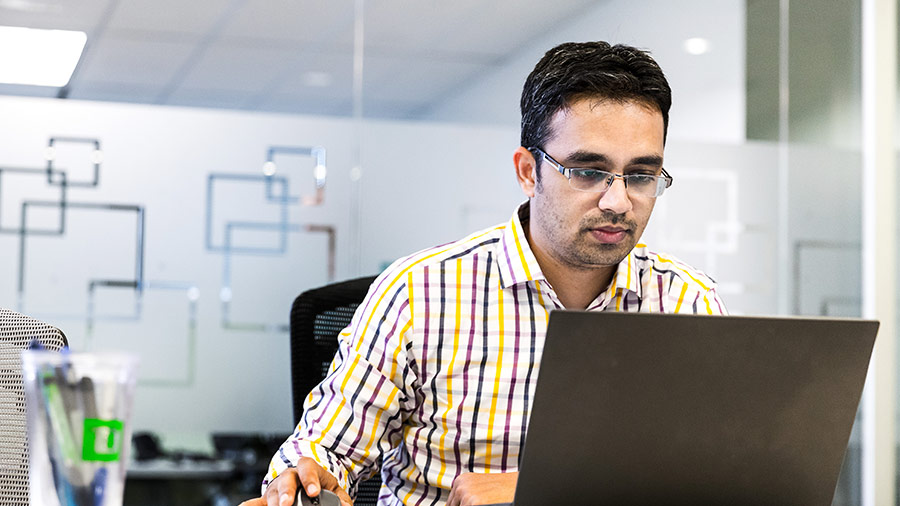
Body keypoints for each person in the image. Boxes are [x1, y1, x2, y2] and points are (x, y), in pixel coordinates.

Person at [240, 40, 727, 506]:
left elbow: (719, 473)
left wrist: (531, 489)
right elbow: (324, 452)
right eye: (586, 171)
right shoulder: (420, 295)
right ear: (527, 171)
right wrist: (305, 478)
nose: (618, 201)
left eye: (641, 175)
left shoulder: (686, 303)